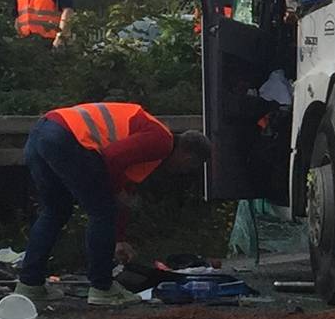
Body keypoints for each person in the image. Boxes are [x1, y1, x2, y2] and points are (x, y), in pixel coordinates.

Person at [13, 102, 209, 307]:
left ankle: (29, 284)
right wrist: (115, 193)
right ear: (187, 157)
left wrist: (119, 239)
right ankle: (102, 288)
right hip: (66, 138)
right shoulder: (161, 141)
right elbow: (111, 159)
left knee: (56, 211)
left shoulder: (149, 143)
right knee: (101, 212)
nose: (182, 171)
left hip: (41, 134)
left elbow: (122, 193)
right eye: (188, 167)